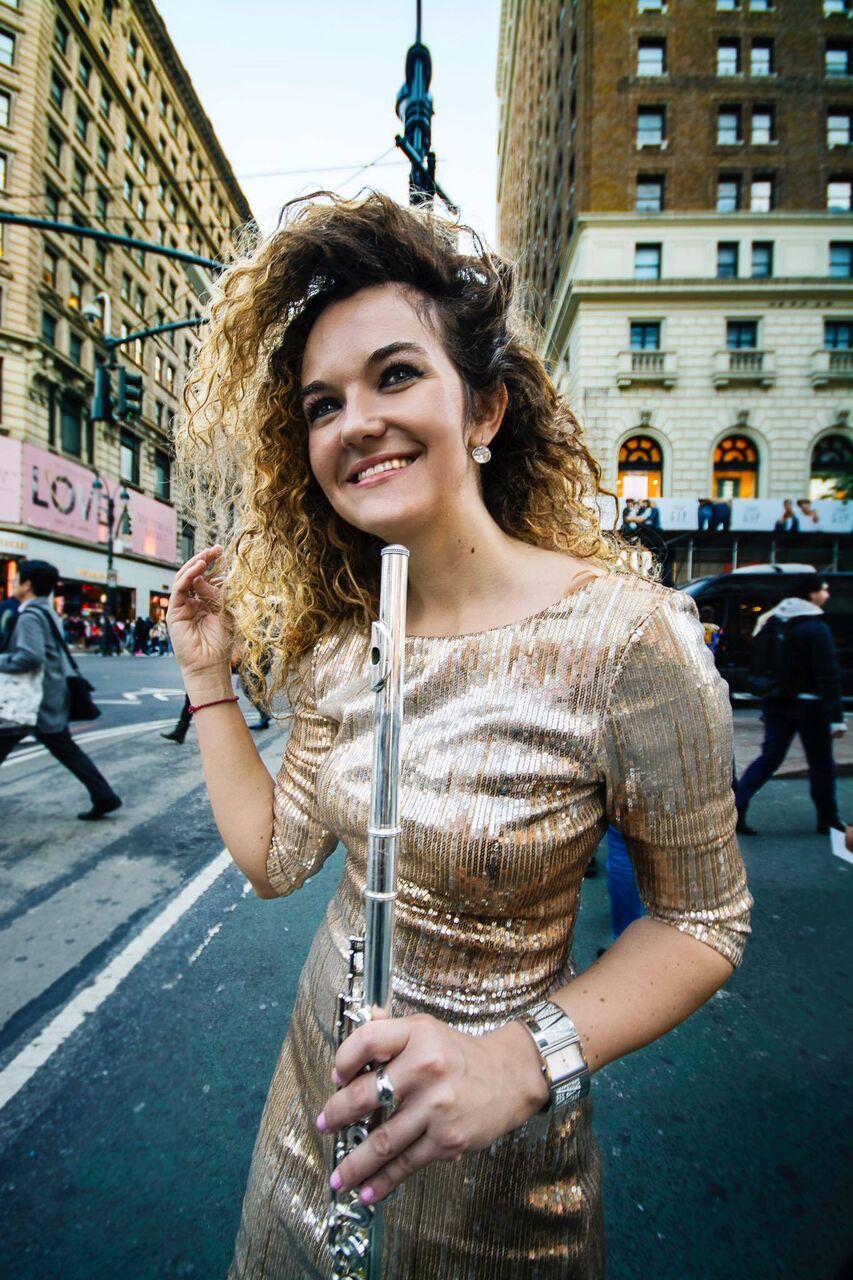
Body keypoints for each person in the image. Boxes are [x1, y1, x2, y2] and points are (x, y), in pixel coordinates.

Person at [168, 194, 751, 1279]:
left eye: (395, 375)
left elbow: (702, 918)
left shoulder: (627, 637)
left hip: (498, 1194)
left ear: (484, 409)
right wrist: (207, 678)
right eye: (322, 404)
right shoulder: (339, 646)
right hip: (310, 1140)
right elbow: (273, 858)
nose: (354, 423)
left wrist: (523, 1060)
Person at [0, 559, 122, 819]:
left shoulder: (30, 616)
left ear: (27, 584)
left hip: (32, 701)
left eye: (17, 578)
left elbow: (30, 656)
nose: (13, 582)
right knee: (66, 749)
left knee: (60, 748)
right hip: (48, 697)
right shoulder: (46, 612)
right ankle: (104, 796)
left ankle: (105, 796)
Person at [736, 573, 846, 836]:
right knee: (821, 763)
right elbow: (827, 673)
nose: (827, 594)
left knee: (769, 758)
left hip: (776, 702)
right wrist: (836, 717)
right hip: (810, 706)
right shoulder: (815, 627)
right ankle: (828, 818)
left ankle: (737, 806)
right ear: (812, 594)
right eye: (823, 590)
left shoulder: (773, 621)